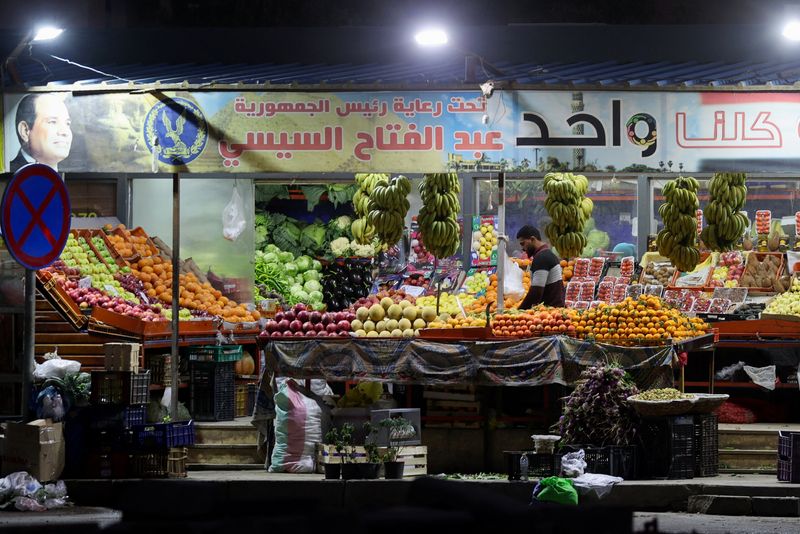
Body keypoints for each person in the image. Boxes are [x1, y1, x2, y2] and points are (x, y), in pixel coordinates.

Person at [9, 93, 72, 173]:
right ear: (25, 131)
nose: (65, 132)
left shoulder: (67, 174)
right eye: (52, 122)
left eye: (67, 124)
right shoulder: (9, 176)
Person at [516, 225, 565, 308]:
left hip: (551, 313)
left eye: (523, 243)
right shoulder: (546, 254)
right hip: (554, 310)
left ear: (532, 239)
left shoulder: (542, 257)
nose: (523, 248)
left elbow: (536, 291)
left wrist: (520, 310)